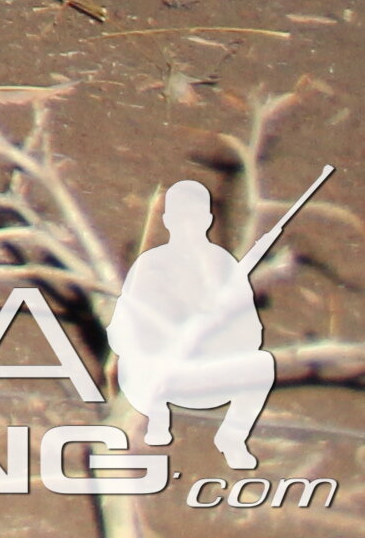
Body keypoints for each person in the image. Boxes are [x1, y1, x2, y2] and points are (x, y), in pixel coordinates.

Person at [114, 179, 277, 470]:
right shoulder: (150, 263)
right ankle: (152, 421)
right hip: (153, 374)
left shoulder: (224, 266)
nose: (188, 226)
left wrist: (219, 323)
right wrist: (175, 325)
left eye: (196, 217)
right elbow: (121, 330)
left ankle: (233, 437)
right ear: (166, 220)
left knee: (263, 363)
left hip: (205, 372)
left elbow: (252, 334)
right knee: (135, 360)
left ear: (209, 220)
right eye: (180, 217)